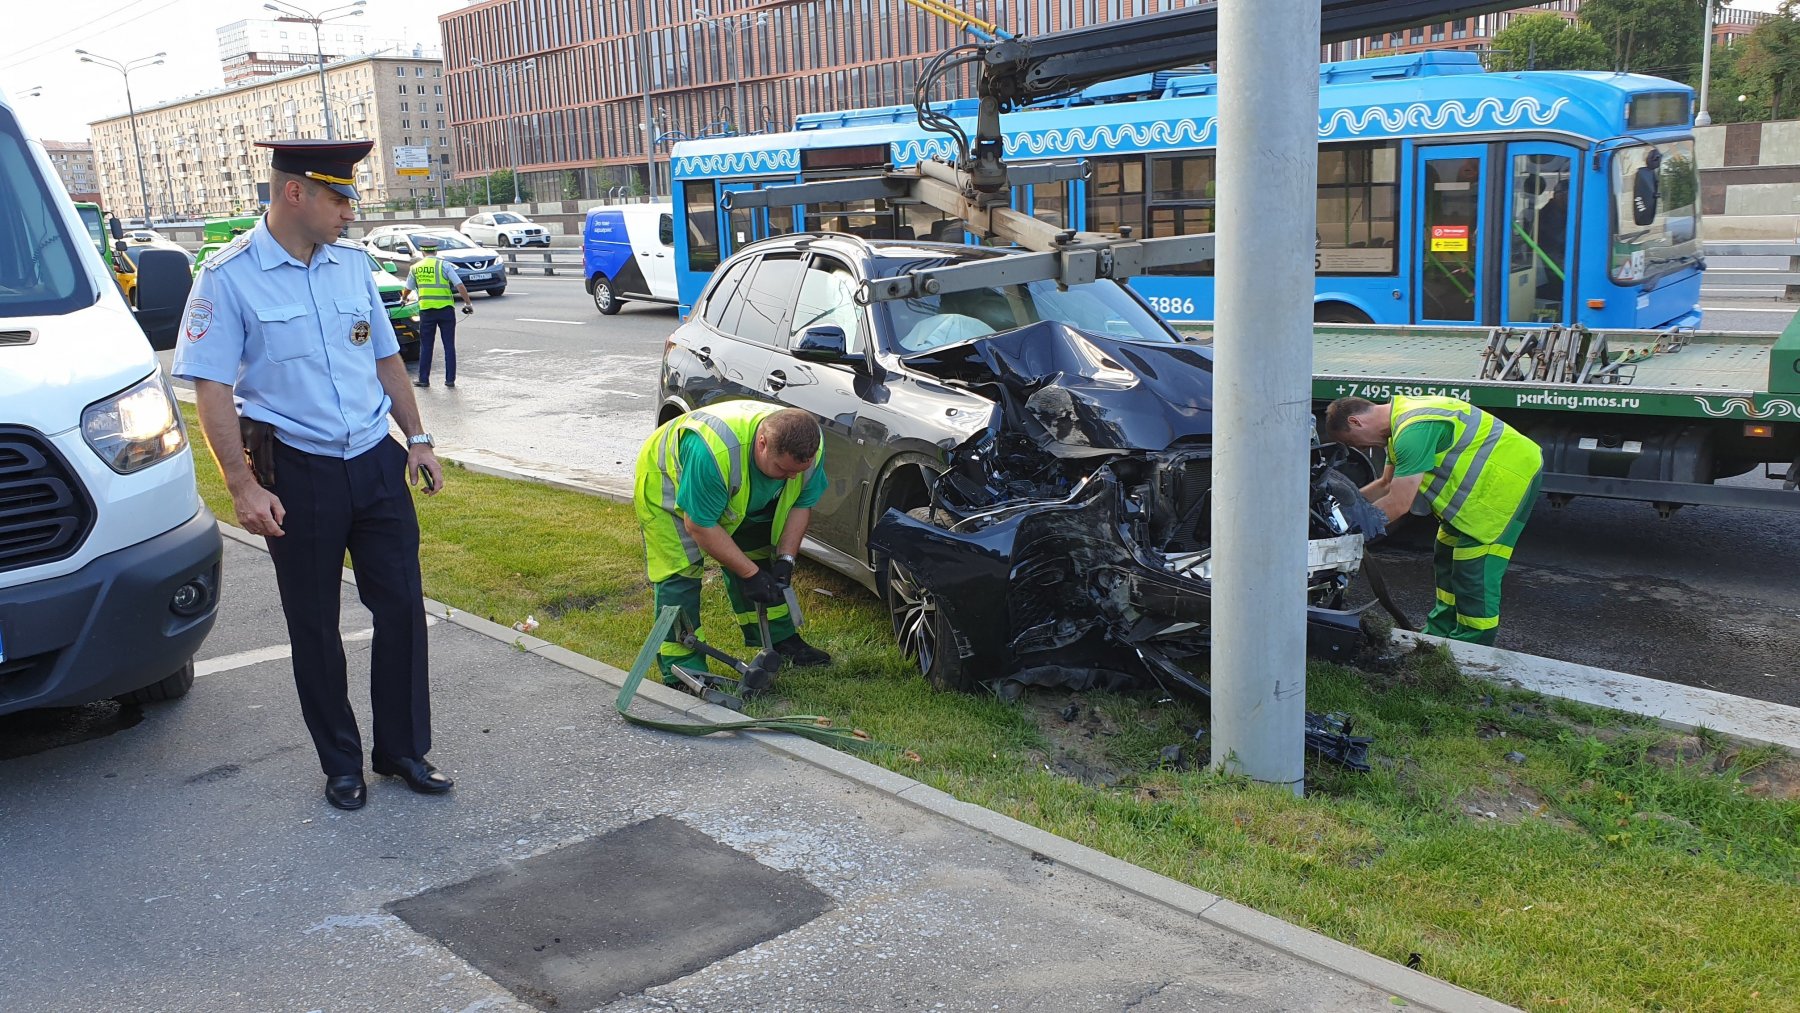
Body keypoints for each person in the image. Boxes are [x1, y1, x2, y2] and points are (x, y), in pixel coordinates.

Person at [173, 139, 451, 812]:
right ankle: (342, 762)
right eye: (340, 198)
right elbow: (211, 391)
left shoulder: (353, 266)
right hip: (296, 473)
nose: (351, 212)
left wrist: (416, 439)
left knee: (402, 610)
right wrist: (242, 486)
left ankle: (403, 750)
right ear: (294, 193)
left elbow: (387, 357)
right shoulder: (229, 275)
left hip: (375, 462)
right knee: (315, 626)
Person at [633, 402, 833, 683]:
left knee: (759, 556)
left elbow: (802, 503)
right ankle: (683, 669)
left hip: (729, 485)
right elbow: (699, 525)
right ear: (762, 444)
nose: (792, 477)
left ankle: (780, 641)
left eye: (798, 471)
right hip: (667, 484)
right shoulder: (713, 453)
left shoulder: (812, 446)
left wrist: (786, 560)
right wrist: (749, 575)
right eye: (782, 469)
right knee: (681, 575)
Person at [1325, 394, 1543, 646]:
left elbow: (1398, 503)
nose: (1360, 449)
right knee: (1446, 557)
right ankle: (1438, 634)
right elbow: (1385, 485)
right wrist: (1339, 510)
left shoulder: (1413, 431)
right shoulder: (1400, 425)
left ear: (1355, 421)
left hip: (1506, 486)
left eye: (1354, 442)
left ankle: (1472, 649)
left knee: (1473, 571)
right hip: (1474, 495)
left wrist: (1345, 532)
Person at [405, 234, 474, 388]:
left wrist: (404, 299)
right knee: (449, 345)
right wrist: (467, 303)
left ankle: (423, 379)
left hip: (426, 311)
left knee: (426, 346)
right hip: (446, 311)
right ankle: (450, 380)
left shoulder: (415, 268)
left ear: (423, 252)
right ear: (435, 252)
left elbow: (407, 289)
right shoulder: (444, 265)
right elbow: (460, 285)